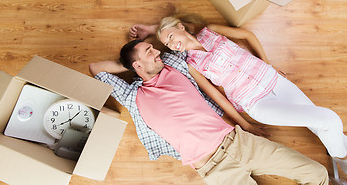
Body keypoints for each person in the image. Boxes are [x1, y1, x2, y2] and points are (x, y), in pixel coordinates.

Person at [130, 13, 347, 176]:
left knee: (319, 123)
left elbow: (247, 35)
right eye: (167, 44)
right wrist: (245, 124)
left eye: (170, 36)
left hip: (274, 80)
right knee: (329, 119)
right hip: (257, 102)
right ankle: (343, 157)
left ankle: (339, 164)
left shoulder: (210, 30)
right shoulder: (191, 64)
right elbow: (217, 95)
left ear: (180, 26)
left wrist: (267, 63)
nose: (172, 44)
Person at [89, 39, 328, 184]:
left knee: (317, 174)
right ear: (138, 66)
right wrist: (128, 63)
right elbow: (95, 68)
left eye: (153, 48)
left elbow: (179, 34)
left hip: (240, 143)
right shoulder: (133, 96)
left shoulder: (175, 65)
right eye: (149, 52)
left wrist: (245, 124)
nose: (156, 52)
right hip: (214, 169)